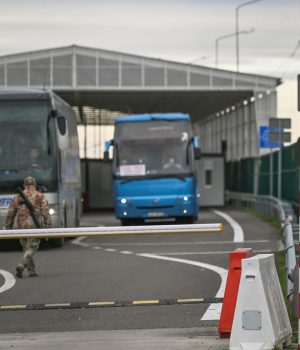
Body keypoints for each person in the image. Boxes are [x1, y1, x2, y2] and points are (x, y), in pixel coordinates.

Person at [5, 176, 51, 278]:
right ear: (34, 184)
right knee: (32, 248)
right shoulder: (40, 196)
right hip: (34, 226)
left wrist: (8, 227)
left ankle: (31, 271)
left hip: (21, 227)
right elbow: (45, 212)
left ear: (24, 185)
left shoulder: (17, 197)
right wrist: (48, 226)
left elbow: (10, 213)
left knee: (26, 248)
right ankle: (21, 265)